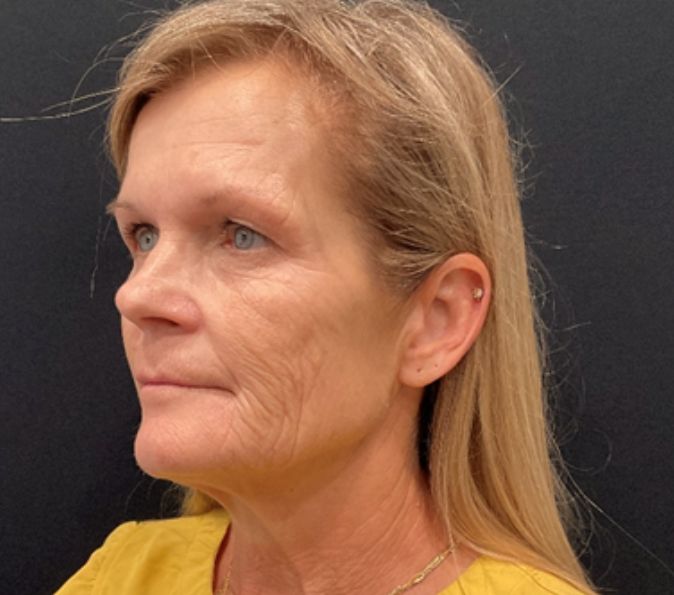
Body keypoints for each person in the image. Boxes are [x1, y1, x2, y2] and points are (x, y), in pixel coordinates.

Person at [56, 0, 599, 593]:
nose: (137, 296)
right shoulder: (123, 575)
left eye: (242, 235)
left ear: (435, 321)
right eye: (144, 235)